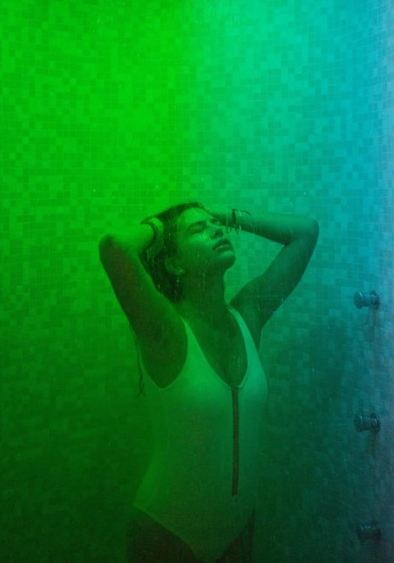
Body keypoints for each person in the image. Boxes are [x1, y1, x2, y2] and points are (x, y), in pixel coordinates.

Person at [99, 203, 319, 563]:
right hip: (167, 531)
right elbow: (114, 247)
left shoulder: (248, 315)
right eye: (198, 230)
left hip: (238, 528)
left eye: (214, 225)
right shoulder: (165, 330)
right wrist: (163, 226)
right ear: (175, 264)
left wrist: (230, 218)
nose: (215, 230)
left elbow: (305, 232)